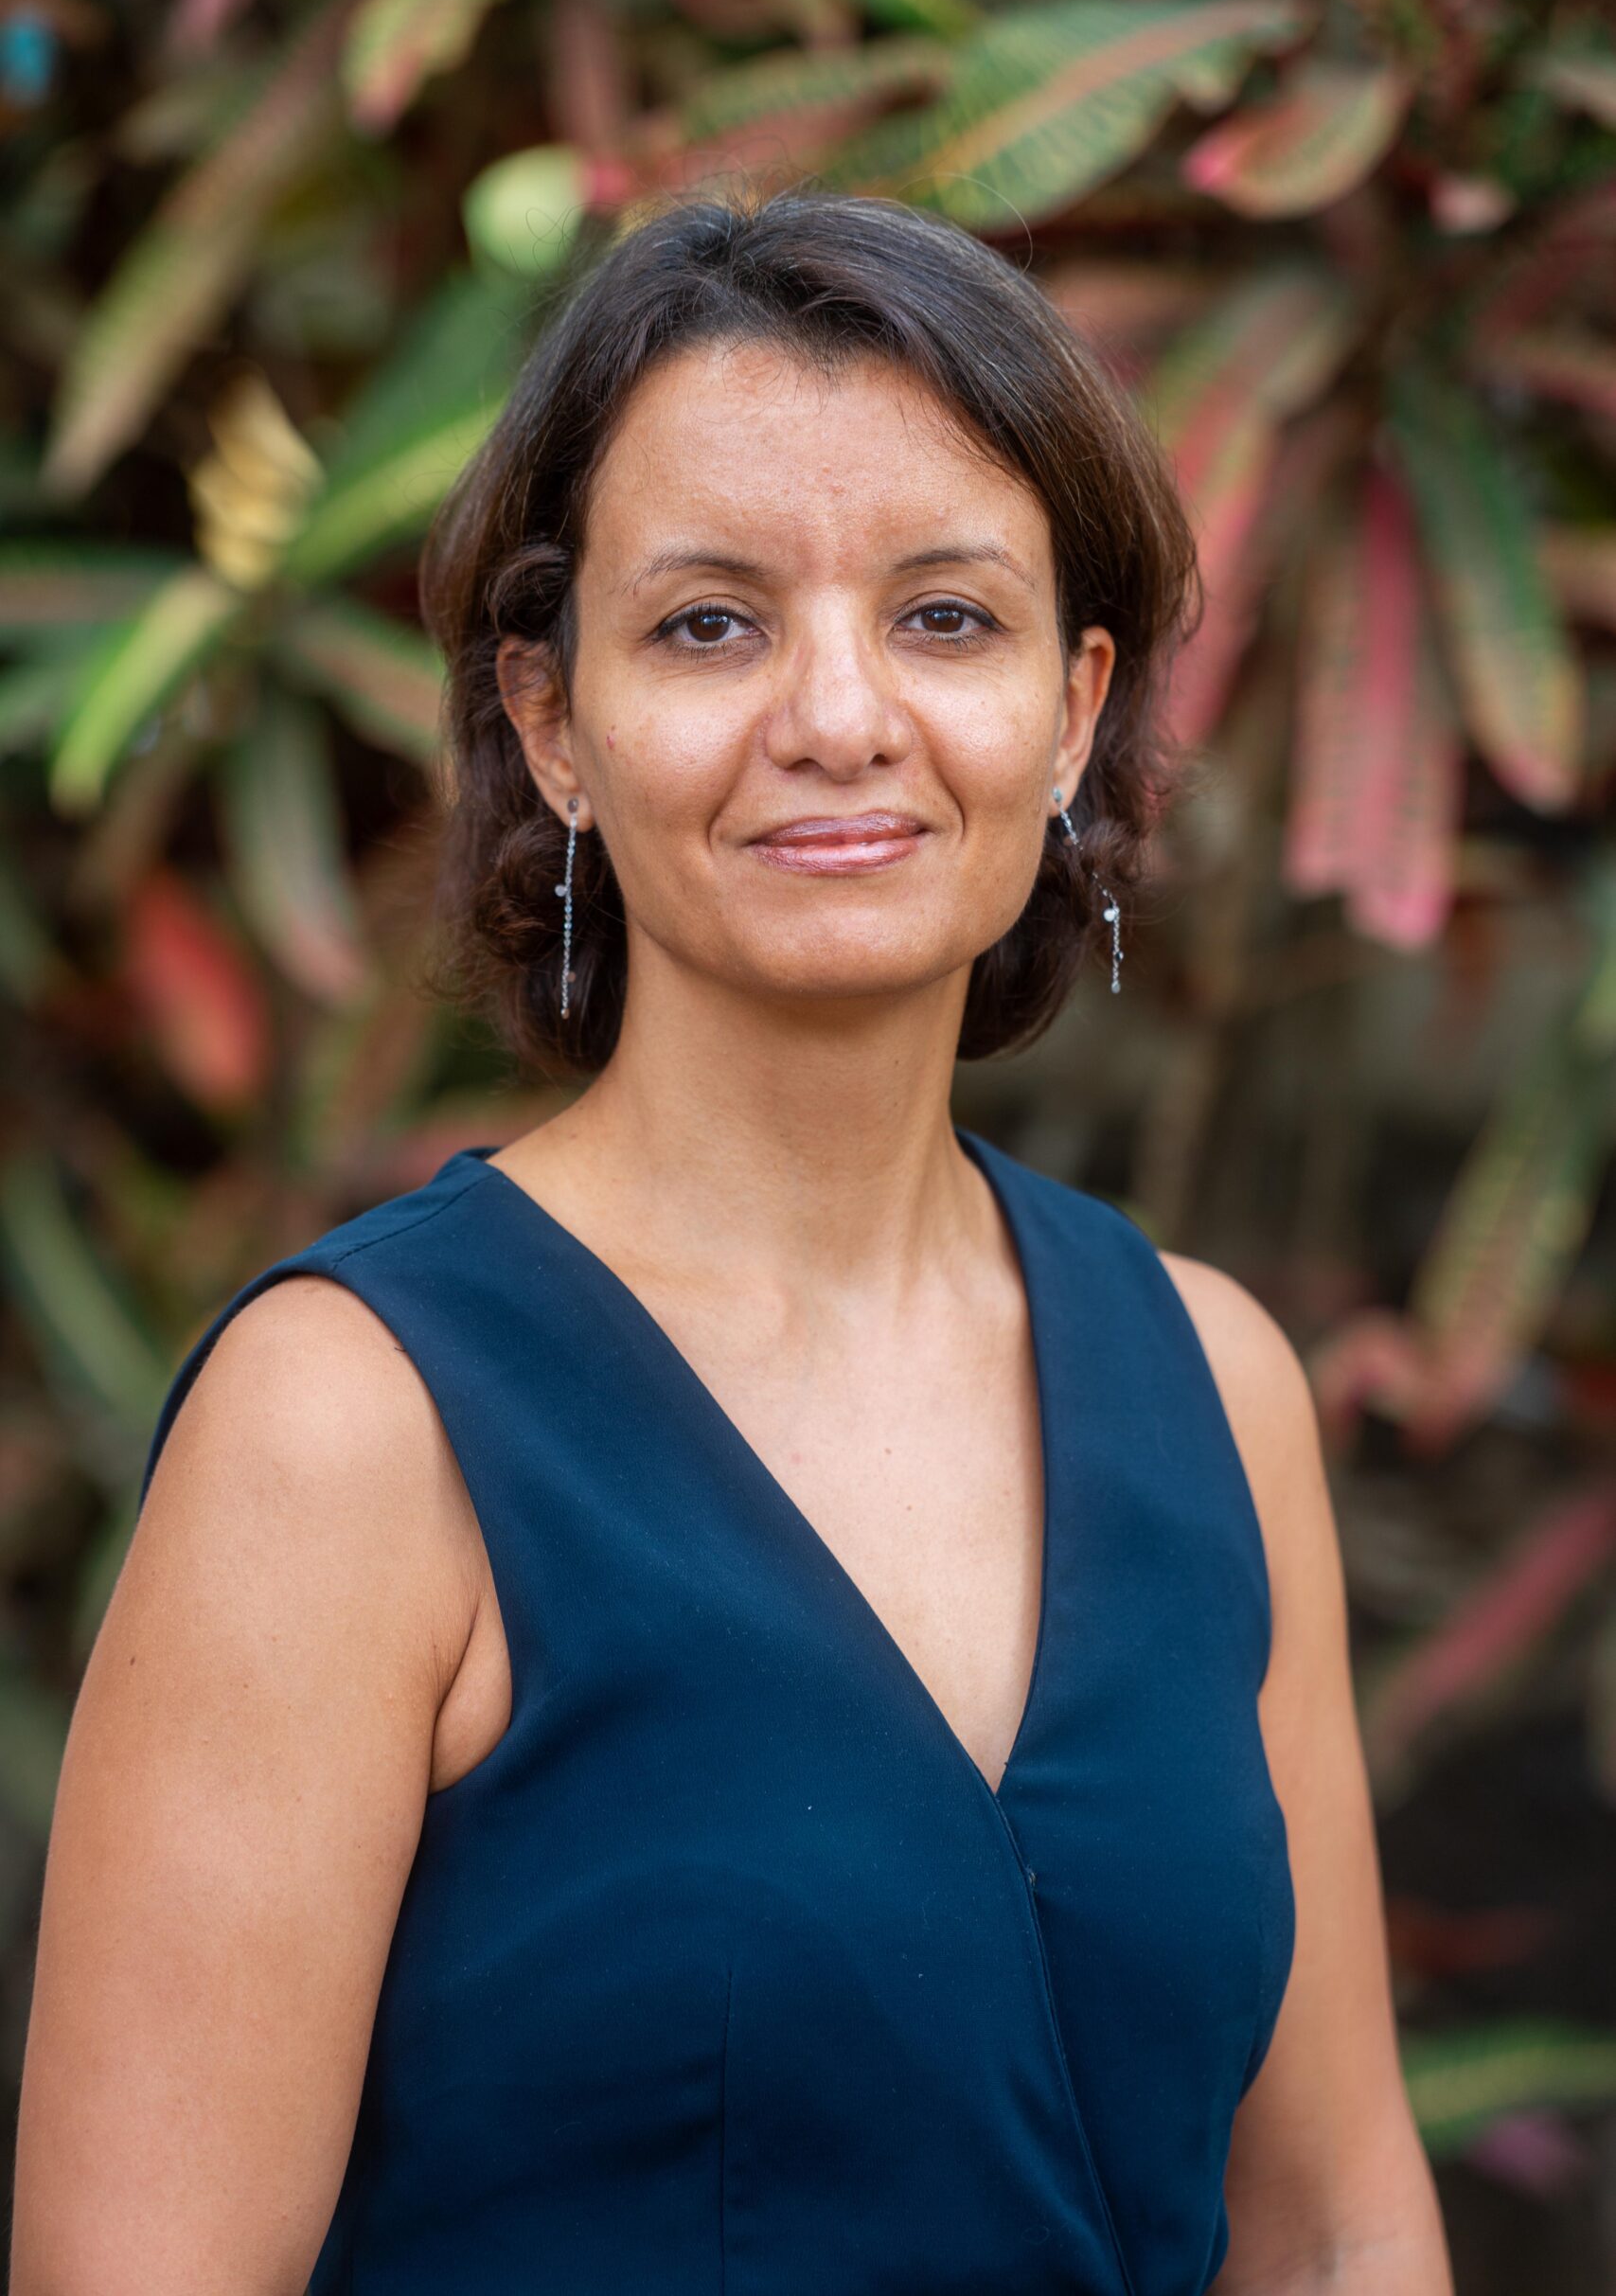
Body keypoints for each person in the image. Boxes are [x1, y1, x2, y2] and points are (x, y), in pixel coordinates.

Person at [12, 187, 1451, 2296]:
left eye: (943, 617)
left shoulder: (1213, 1387)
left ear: (1071, 711)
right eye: (709, 625)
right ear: (552, 723)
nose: (838, 715)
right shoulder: (353, 1430)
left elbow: (1331, 2232)